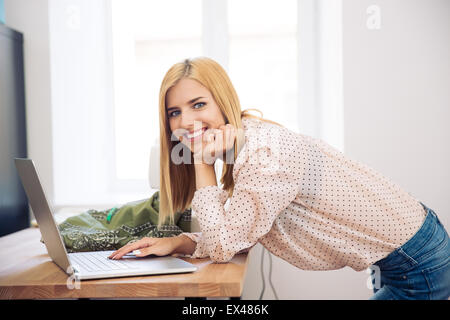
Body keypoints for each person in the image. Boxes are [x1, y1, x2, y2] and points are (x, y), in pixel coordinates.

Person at [109, 56, 450, 300]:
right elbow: (233, 234)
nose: (185, 121)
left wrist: (201, 163)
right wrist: (179, 242)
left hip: (417, 261)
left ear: (222, 101)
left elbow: (224, 246)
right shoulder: (241, 147)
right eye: (174, 112)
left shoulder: (263, 154)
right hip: (398, 257)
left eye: (198, 104)